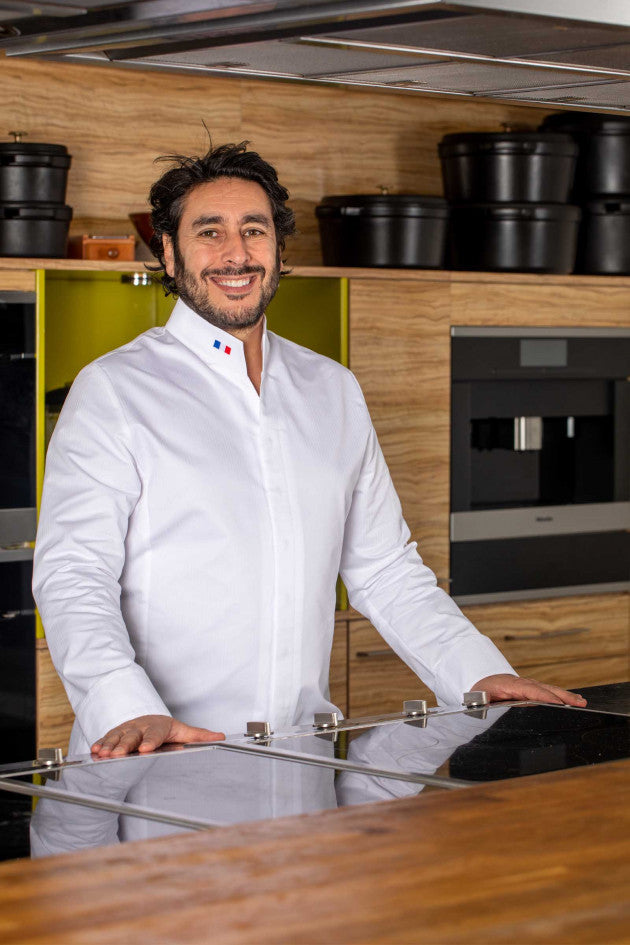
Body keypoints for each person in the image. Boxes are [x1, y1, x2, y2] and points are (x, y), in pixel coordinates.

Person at [32, 141, 586, 760]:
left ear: (277, 247)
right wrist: (124, 707)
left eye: (255, 230)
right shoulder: (114, 390)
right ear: (168, 250)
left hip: (302, 759)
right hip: (157, 756)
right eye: (209, 232)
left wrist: (479, 673)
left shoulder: (332, 389)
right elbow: (74, 573)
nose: (236, 253)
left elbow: (385, 568)